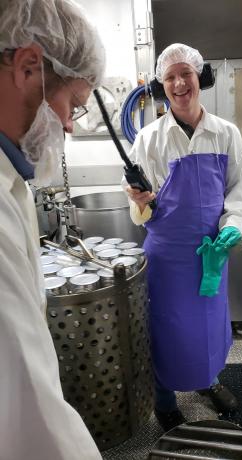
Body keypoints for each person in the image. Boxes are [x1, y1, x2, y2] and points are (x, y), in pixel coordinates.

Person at [123, 43, 242, 431]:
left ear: (200, 78)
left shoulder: (225, 134)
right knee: (167, 326)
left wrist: (230, 231)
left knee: (209, 324)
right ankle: (164, 400)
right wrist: (141, 200)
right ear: (163, 86)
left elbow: (240, 193)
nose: (179, 83)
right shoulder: (148, 140)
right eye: (170, 77)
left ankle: (206, 381)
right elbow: (137, 213)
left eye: (186, 74)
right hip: (166, 258)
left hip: (211, 254)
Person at [0, 1, 106, 458]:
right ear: (28, 67)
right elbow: (29, 408)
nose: (68, 124)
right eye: (73, 106)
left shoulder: (12, 180)